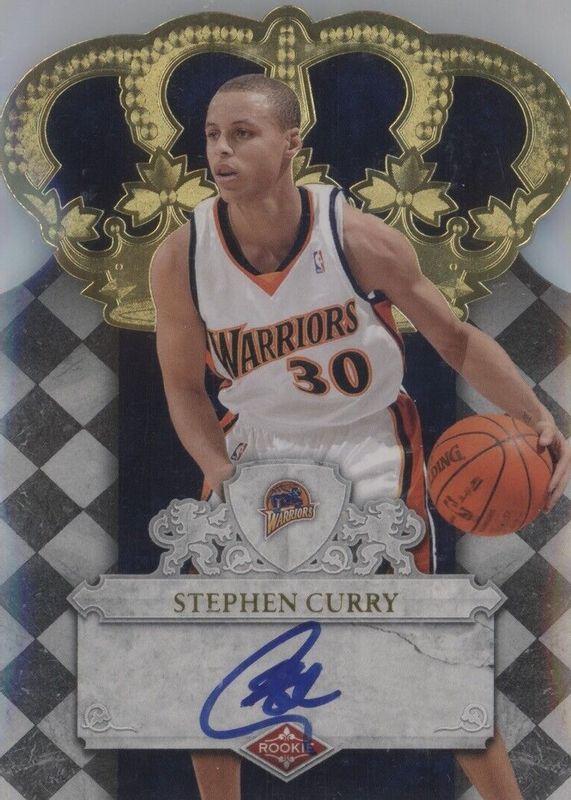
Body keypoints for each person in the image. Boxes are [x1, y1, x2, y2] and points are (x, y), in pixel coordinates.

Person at [151, 74, 571, 800]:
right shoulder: (180, 258)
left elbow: (455, 340)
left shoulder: (356, 238)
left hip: (367, 444)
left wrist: (538, 415)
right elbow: (185, 389)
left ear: (291, 144)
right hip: (258, 449)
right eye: (213, 135)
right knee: (213, 650)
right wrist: (215, 467)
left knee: (425, 647)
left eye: (242, 134)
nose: (221, 150)